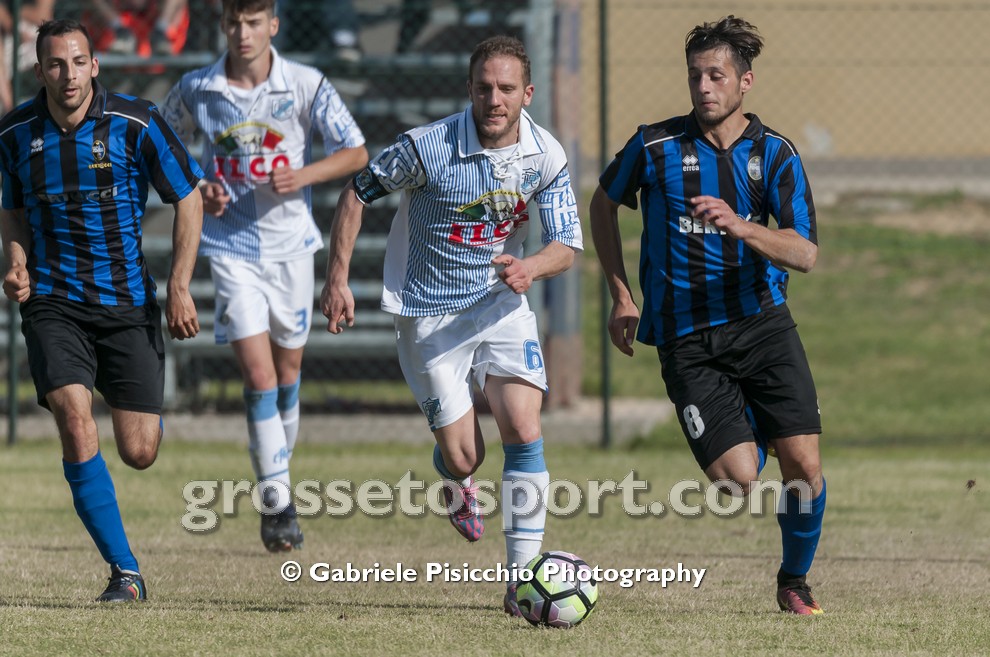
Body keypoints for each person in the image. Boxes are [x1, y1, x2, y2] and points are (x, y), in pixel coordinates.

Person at [321, 35, 583, 616]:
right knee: (467, 457)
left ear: (527, 94)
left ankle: (520, 585)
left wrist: (530, 268)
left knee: (524, 428)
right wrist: (337, 279)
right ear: (469, 89)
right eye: (484, 88)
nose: (495, 99)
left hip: (501, 304)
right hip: (429, 315)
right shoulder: (426, 147)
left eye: (507, 88)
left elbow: (566, 245)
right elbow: (356, 193)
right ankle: (453, 476)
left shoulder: (545, 155)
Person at [589, 15, 827, 616]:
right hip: (686, 338)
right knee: (738, 481)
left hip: (762, 325)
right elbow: (602, 203)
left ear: (745, 81)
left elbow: (804, 253)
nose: (703, 87)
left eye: (716, 76)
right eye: (695, 75)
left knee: (804, 467)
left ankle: (794, 581)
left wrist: (743, 226)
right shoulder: (654, 146)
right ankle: (754, 427)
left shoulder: (775, 154)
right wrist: (621, 295)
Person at [0, 18, 203, 602]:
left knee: (139, 451)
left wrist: (180, 286)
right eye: (55, 64)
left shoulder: (136, 123)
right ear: (38, 71)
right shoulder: (14, 134)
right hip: (52, 302)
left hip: (127, 304)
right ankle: (125, 572)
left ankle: (144, 414)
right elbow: (11, 211)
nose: (68, 74)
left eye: (77, 62)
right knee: (73, 415)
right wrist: (16, 263)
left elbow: (188, 198)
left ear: (95, 65)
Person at [162, 0, 368, 553]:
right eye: (234, 22)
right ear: (222, 26)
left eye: (254, 22)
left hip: (291, 250)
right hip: (230, 250)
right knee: (259, 377)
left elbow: (355, 152)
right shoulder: (199, 87)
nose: (243, 33)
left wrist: (304, 173)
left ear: (273, 25)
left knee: (286, 375)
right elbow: (161, 145)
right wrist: (198, 184)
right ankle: (278, 505)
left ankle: (279, 477)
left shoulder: (305, 83)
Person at [87, 0, 189, 56]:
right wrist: (119, 27)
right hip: (119, 70)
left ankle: (160, 33)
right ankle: (122, 34)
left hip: (158, 69)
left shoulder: (163, 13)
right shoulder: (114, 12)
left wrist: (161, 29)